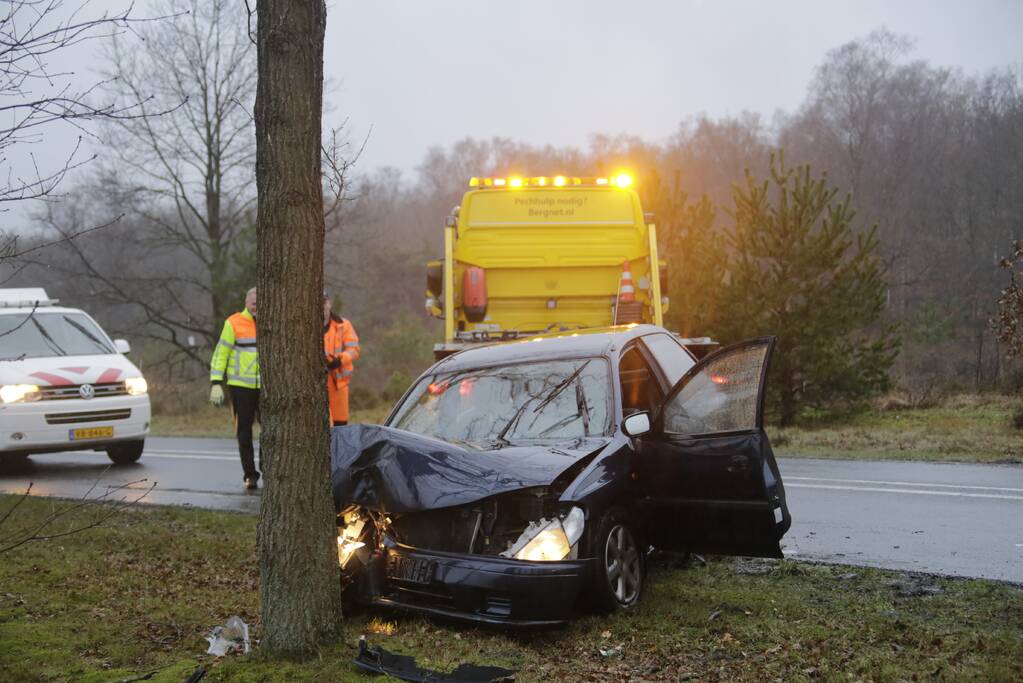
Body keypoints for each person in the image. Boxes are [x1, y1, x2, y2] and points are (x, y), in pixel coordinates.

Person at [209, 287, 261, 489]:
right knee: (244, 432)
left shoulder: (273, 320)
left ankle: (269, 467)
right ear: (246, 302)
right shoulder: (233, 323)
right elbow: (220, 354)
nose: (256, 306)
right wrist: (215, 382)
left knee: (272, 431)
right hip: (240, 387)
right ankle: (250, 475)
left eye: (259, 302)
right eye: (253, 302)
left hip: (266, 387)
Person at [323, 293, 360, 426]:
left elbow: (354, 350)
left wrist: (339, 360)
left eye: (324, 302)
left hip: (338, 383)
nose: (322, 306)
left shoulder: (343, 325)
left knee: (340, 425)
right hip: (315, 383)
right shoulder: (306, 326)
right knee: (320, 426)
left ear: (329, 303)